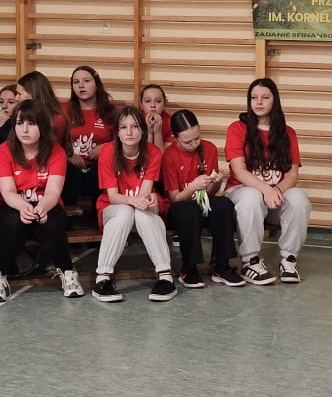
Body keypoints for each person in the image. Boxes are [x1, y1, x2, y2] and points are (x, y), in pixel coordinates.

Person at [226, 78, 309, 286]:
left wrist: (276, 190)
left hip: (274, 196)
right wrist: (266, 189)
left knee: (299, 198)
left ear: (275, 100)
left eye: (265, 97)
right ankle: (250, 262)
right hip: (242, 192)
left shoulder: (288, 133)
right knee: (252, 196)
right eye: (254, 97)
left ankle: (289, 260)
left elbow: (292, 174)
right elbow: (239, 170)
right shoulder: (237, 128)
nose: (258, 102)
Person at [0, 105, 76, 300]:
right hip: (10, 205)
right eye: (20, 123)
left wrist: (42, 207)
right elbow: (8, 192)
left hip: (46, 203)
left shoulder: (56, 152)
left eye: (32, 123)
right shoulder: (4, 151)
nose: (25, 130)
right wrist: (23, 206)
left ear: (43, 126)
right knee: (13, 222)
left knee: (51, 222)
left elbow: (53, 192)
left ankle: (68, 272)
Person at [91, 105, 175, 303]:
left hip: (140, 208)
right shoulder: (108, 152)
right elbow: (113, 196)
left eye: (135, 126)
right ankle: (102, 278)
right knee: (125, 212)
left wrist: (149, 199)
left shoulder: (153, 152)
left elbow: (144, 193)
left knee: (143, 212)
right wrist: (134, 200)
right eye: (123, 127)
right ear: (117, 132)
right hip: (113, 209)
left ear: (143, 130)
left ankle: (165, 277)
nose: (129, 132)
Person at [163, 109, 241, 288]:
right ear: (175, 139)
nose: (194, 144)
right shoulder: (169, 155)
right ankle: (189, 268)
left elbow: (210, 193)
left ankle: (221, 266)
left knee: (223, 204)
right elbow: (175, 198)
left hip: (203, 202)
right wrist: (192, 187)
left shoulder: (209, 148)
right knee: (189, 209)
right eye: (187, 141)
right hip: (180, 208)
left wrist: (217, 182)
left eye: (197, 138)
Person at [63, 65, 118, 211]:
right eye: (76, 82)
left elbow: (125, 140)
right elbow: (51, 140)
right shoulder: (63, 110)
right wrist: (68, 154)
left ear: (97, 84)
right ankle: (67, 216)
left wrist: (107, 147)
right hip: (71, 167)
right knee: (68, 171)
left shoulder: (111, 112)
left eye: (86, 81)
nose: (81, 86)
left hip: (98, 167)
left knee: (101, 170)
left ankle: (99, 213)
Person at [139, 83, 170, 150]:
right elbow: (144, 153)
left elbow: (162, 153)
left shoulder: (170, 122)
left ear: (164, 104)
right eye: (148, 101)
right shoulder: (136, 120)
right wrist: (149, 133)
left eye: (158, 101)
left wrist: (157, 132)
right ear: (141, 105)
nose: (153, 105)